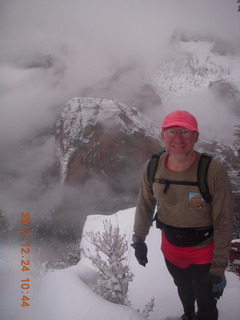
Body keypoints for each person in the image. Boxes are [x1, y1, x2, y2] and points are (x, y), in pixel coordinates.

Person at [132, 110, 234, 320]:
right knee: (183, 288)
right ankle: (187, 315)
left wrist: (218, 267)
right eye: (172, 132)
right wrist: (138, 238)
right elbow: (145, 202)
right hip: (171, 248)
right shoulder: (153, 167)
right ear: (162, 135)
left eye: (186, 132)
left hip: (204, 250)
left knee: (206, 302)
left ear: (196, 136)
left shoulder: (212, 171)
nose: (178, 139)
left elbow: (223, 220)